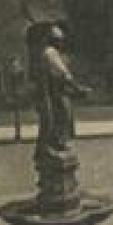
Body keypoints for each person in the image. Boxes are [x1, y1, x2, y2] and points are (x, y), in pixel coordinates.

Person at [35, 23, 91, 154]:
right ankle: (51, 145)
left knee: (60, 116)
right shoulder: (50, 53)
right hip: (50, 92)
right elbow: (64, 73)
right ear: (53, 41)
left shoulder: (53, 53)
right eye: (59, 40)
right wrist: (78, 88)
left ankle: (56, 143)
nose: (61, 43)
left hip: (55, 91)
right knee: (55, 117)